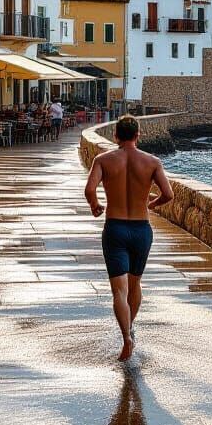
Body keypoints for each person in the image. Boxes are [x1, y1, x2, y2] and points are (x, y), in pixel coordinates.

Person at [84, 115, 174, 360]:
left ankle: (126, 337)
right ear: (138, 135)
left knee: (119, 291)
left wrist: (95, 205)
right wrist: (151, 204)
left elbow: (90, 189)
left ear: (115, 136)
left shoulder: (103, 160)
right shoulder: (152, 162)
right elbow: (168, 194)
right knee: (135, 284)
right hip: (141, 230)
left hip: (115, 228)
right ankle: (130, 327)